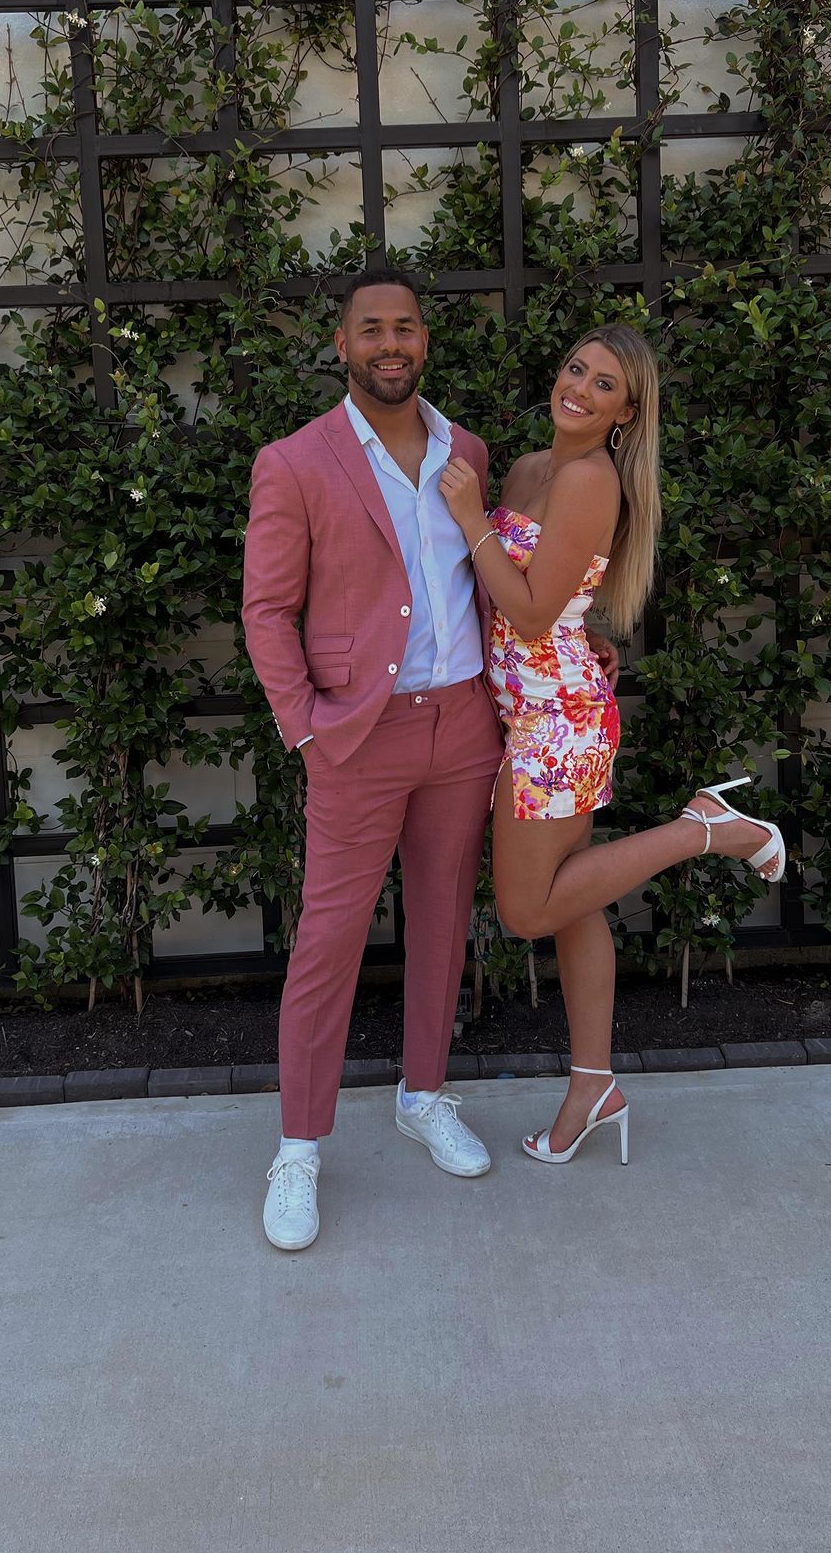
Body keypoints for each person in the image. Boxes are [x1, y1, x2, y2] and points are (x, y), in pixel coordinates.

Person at [241, 270, 623, 1250]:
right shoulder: (294, 462)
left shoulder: (471, 453)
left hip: (467, 727)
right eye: (370, 329)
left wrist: (579, 637)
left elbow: (506, 578)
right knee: (328, 941)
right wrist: (306, 726)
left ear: (424, 340)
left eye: (404, 327)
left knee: (446, 922)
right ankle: (300, 1147)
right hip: (358, 736)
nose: (390, 343)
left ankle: (423, 1095)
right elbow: (267, 611)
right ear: (342, 345)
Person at [439, 322, 785, 1166]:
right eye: (576, 369)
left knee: (527, 910)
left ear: (626, 413)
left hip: (556, 723)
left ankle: (706, 830)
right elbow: (541, 600)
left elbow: (525, 611)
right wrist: (582, 630)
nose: (580, 389)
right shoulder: (528, 469)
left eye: (604, 385)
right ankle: (593, 1086)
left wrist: (469, 520)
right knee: (573, 903)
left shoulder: (592, 478)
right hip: (535, 706)